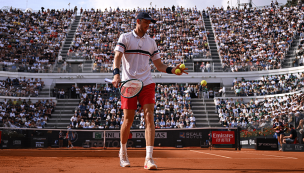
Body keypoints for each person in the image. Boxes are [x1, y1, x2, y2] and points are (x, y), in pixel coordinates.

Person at [112, 12, 187, 170]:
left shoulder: (151, 42)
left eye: (149, 23)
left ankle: (149, 158)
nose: (148, 25)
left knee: (149, 116)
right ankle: (123, 152)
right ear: (138, 22)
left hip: (147, 83)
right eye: (146, 23)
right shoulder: (125, 37)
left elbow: (159, 65)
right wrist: (116, 74)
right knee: (128, 120)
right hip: (129, 83)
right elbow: (117, 56)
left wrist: (173, 70)